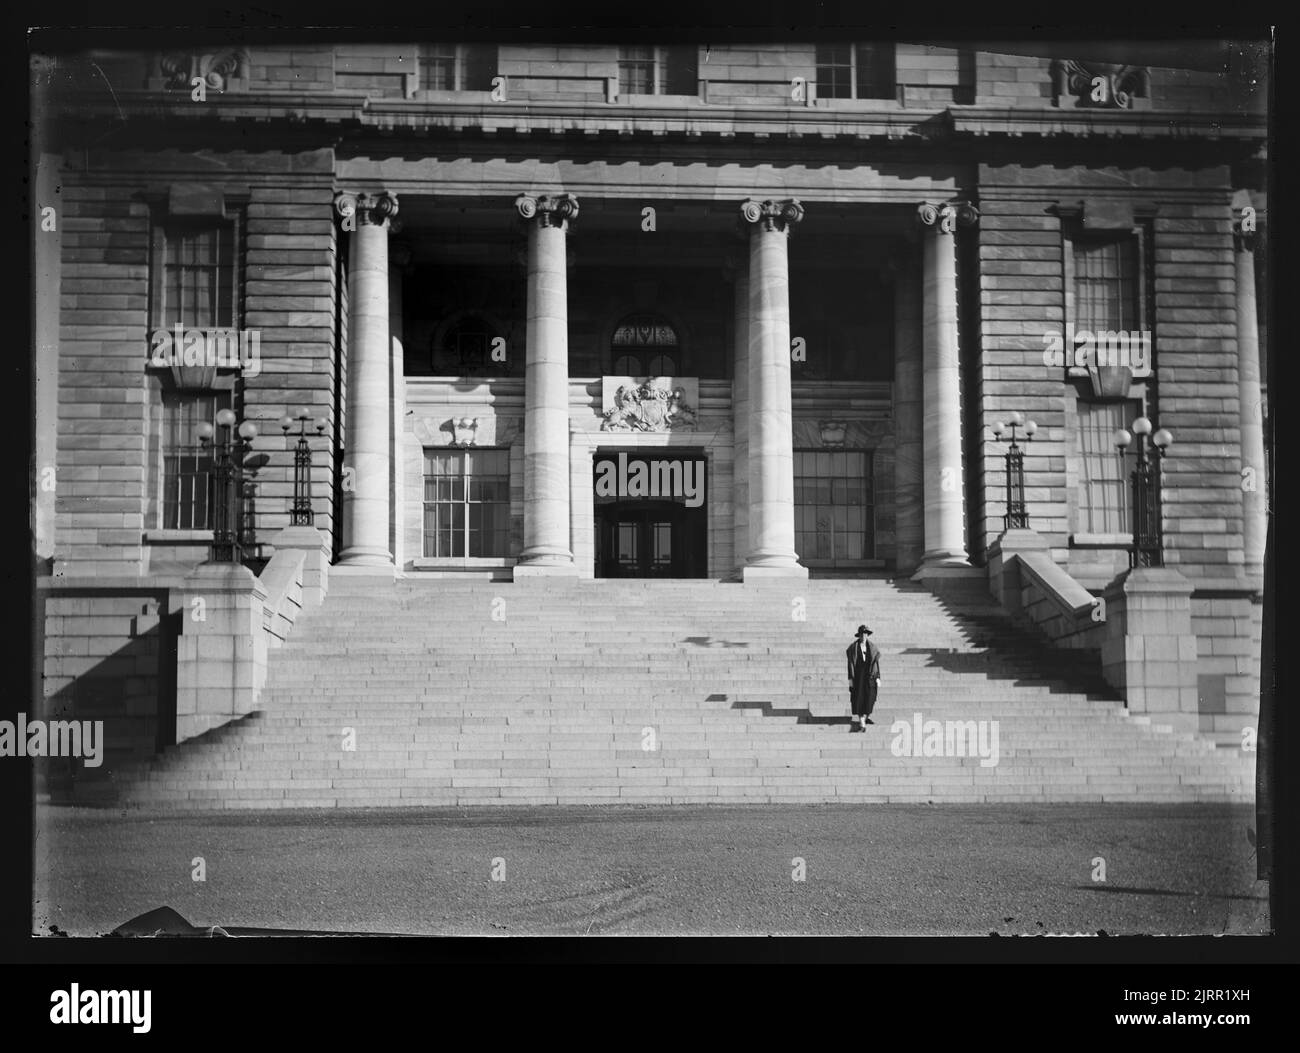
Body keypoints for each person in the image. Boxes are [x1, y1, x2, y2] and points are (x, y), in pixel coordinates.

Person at [846, 624, 882, 731]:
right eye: (862, 634)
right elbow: (850, 664)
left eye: (865, 634)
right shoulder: (853, 648)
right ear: (859, 635)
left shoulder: (872, 647)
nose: (864, 636)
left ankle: (866, 717)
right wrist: (850, 679)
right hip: (858, 678)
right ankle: (862, 723)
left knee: (870, 698)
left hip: (870, 677)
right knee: (859, 699)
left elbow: (876, 663)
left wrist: (878, 676)